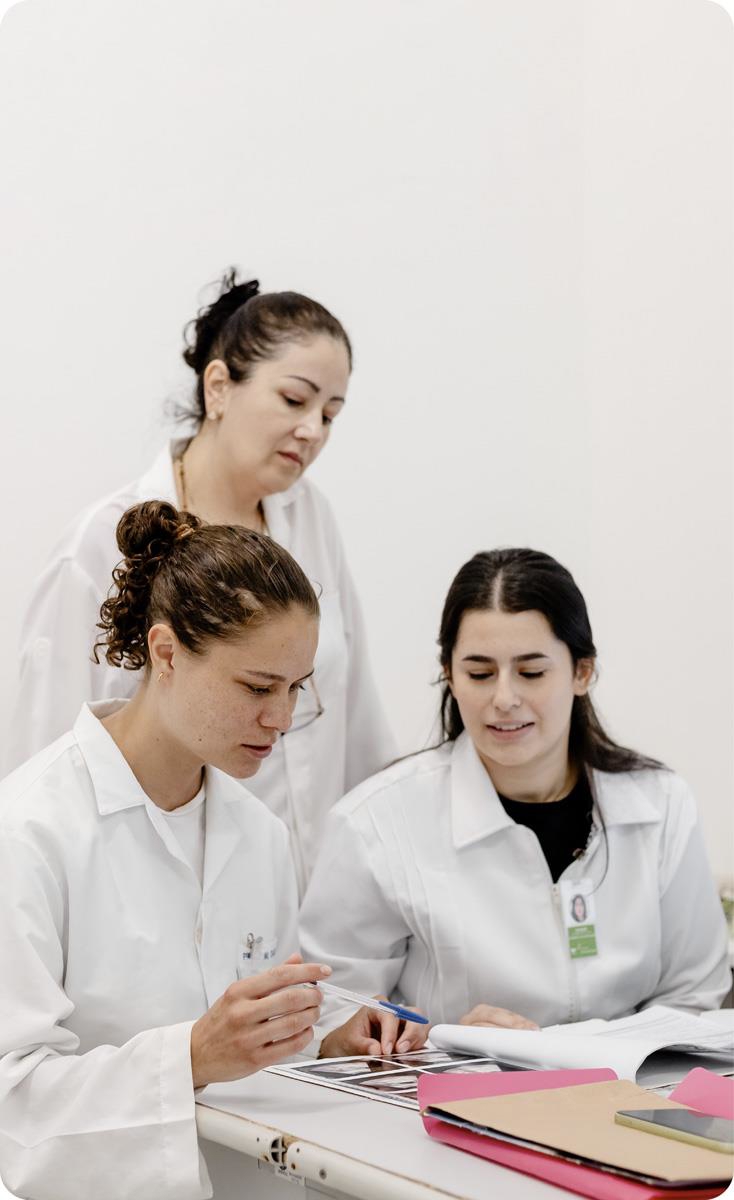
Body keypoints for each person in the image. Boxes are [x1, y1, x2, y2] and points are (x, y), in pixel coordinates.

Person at [0, 501, 406, 1200]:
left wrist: (327, 1035)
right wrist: (191, 1056)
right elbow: (14, 1105)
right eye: (257, 687)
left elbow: (251, 1042)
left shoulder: (259, 835)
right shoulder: (31, 829)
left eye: (296, 689)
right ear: (166, 653)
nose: (281, 719)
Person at [8, 271, 396, 891]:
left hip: (306, 896)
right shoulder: (98, 545)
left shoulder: (311, 519)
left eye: (330, 414)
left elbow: (358, 725)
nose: (314, 430)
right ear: (218, 386)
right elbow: (42, 767)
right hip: (148, 895)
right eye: (294, 400)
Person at [300, 548, 731, 1042]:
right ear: (449, 675)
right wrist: (449, 1044)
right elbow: (335, 1019)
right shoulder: (374, 825)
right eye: (480, 674)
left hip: (629, 1087)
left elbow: (693, 998)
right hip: (453, 1089)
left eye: (531, 673)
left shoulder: (661, 805)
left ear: (582, 672)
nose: (504, 699)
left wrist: (590, 1055)